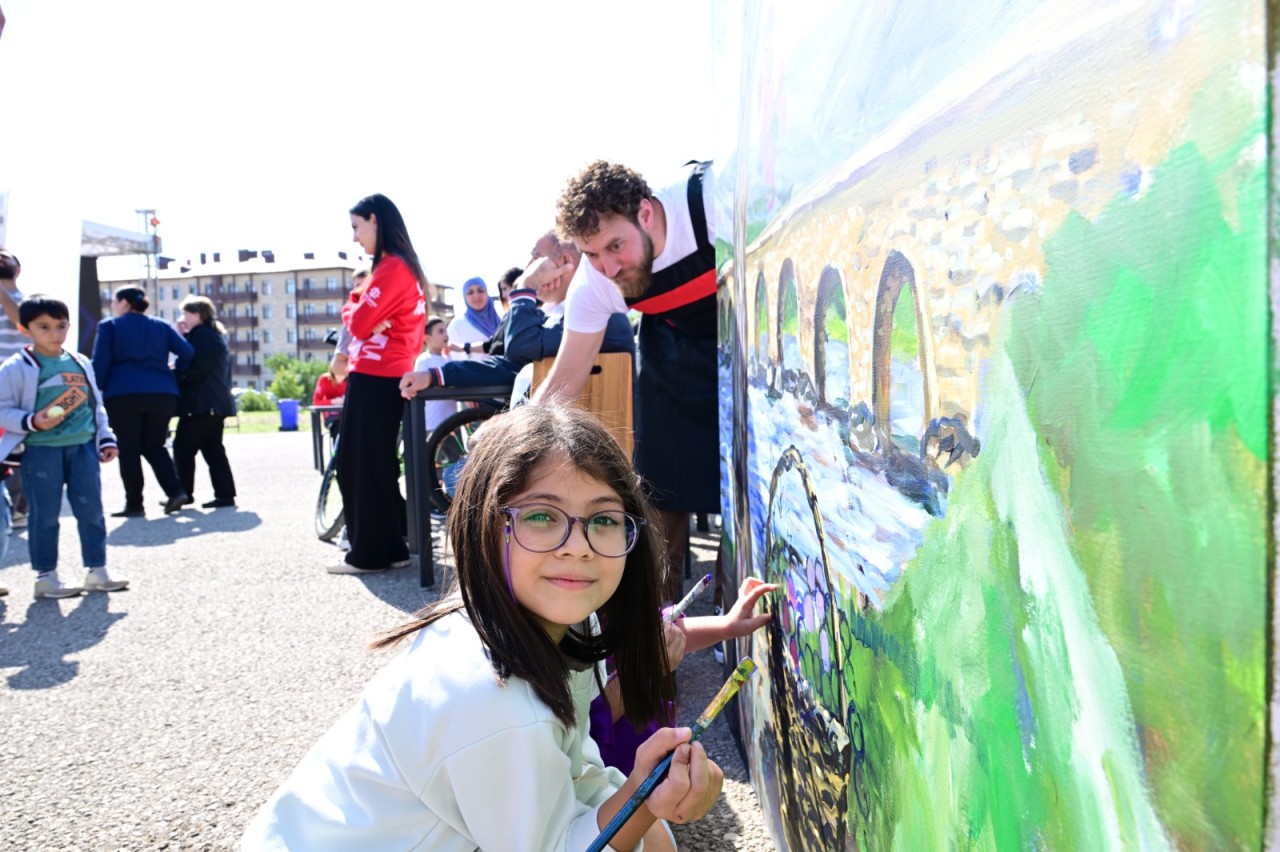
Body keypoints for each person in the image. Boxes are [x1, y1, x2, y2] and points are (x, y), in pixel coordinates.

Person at [244, 403, 722, 851]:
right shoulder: (494, 698)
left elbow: (576, 770)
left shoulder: (545, 626)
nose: (578, 546)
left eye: (603, 519)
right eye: (540, 515)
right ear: (481, 525)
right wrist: (639, 799)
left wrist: (643, 802)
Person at [539, 160, 717, 604]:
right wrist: (504, 446)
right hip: (672, 351)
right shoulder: (594, 282)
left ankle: (735, 615)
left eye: (616, 246)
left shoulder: (713, 200)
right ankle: (657, 630)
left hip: (747, 339)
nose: (609, 267)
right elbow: (564, 380)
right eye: (592, 253)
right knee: (659, 487)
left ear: (646, 213)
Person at [0, 295, 126, 598]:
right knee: (45, 515)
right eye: (43, 327)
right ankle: (46, 577)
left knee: (92, 509)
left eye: (61, 326)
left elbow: (96, 405)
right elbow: (2, 409)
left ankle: (97, 570)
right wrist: (32, 420)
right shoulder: (15, 367)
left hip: (82, 449)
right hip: (39, 451)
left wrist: (105, 438)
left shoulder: (80, 362)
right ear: (24, 328)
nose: (55, 334)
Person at [328, 193, 428, 575]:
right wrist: (364, 311)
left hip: (375, 373)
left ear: (374, 219)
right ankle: (390, 548)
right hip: (384, 372)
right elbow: (363, 322)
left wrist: (355, 302)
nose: (355, 237)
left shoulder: (391, 267)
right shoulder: (401, 267)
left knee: (357, 464)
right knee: (377, 463)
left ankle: (368, 554)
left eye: (357, 227)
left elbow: (355, 325)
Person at [399, 232, 634, 394]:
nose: (528, 265)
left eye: (535, 256)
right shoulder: (555, 313)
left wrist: (525, 287)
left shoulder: (597, 311)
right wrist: (436, 375)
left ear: (563, 261)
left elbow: (521, 347)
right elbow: (508, 363)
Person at [92, 285, 194, 517]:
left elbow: (100, 364)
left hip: (123, 393)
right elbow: (187, 352)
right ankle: (176, 491)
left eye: (114, 301)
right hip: (163, 394)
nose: (111, 306)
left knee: (128, 449)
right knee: (154, 445)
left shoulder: (109, 326)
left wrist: (96, 391)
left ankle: (135, 504)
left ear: (124, 303)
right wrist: (174, 373)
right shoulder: (160, 325)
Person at [173, 296, 237, 509]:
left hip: (203, 403)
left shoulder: (203, 337)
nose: (182, 318)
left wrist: (175, 374)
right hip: (213, 403)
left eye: (185, 314)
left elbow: (197, 369)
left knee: (183, 446)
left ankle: (183, 492)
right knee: (212, 449)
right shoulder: (210, 335)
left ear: (197, 315)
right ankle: (225, 494)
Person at [0, 250, 29, 530]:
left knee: (17, 445)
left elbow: (23, 324)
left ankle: (19, 508)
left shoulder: (27, 303)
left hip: (18, 385)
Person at [410, 316, 458, 432]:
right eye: (440, 331)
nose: (446, 335)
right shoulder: (423, 360)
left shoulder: (449, 359)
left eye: (445, 330)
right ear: (427, 338)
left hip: (452, 423)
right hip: (432, 424)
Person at [447, 276, 499, 360]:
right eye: (470, 292)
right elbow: (451, 359)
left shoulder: (502, 319)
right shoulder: (457, 325)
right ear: (464, 297)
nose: (476, 295)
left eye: (480, 290)